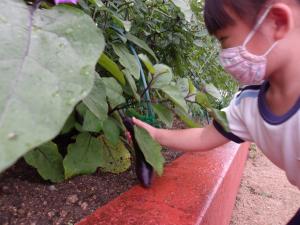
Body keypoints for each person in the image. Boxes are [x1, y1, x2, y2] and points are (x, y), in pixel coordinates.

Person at [132, 0, 300, 224]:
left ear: (277, 22)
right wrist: (154, 135)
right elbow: (205, 136)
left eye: (225, 41)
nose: (226, 56)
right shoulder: (248, 103)